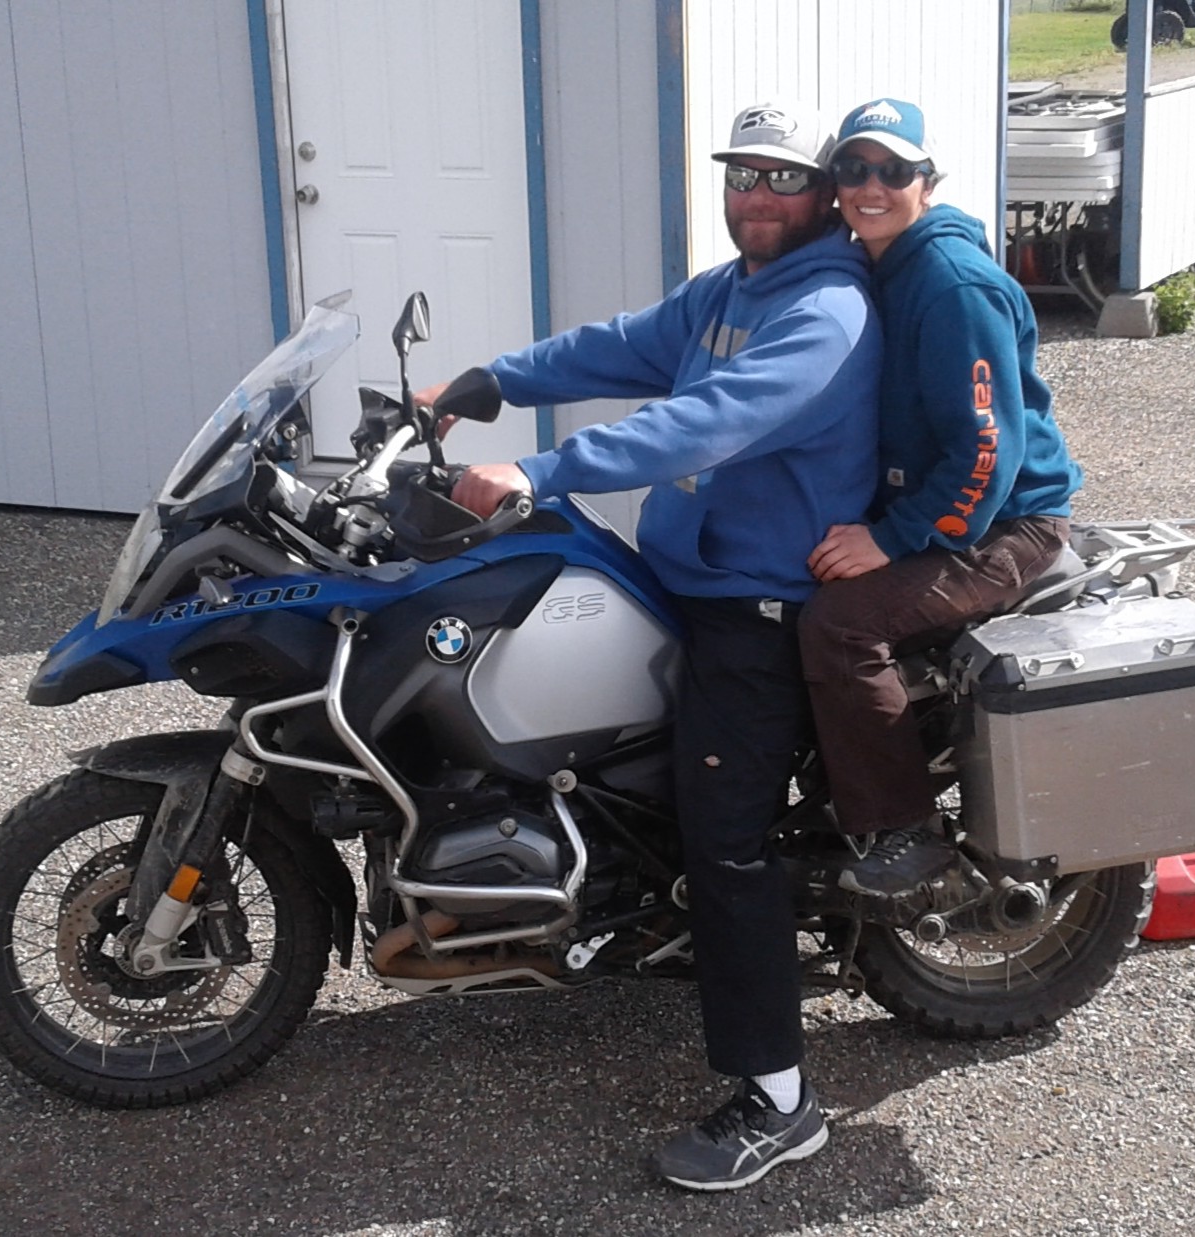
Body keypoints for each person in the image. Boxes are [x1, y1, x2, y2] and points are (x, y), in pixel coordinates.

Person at [414, 100, 882, 1191]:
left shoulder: (825, 310)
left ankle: (779, 1098)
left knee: (726, 839)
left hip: (752, 607)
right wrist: (489, 381)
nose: (753, 197)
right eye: (740, 176)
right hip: (681, 574)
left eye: (778, 179)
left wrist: (540, 467)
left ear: (818, 194)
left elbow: (707, 418)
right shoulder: (731, 291)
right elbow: (624, 344)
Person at [799, 98, 1083, 898]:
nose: (870, 186)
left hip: (1005, 524)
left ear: (927, 181)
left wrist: (892, 540)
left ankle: (906, 836)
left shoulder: (950, 283)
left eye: (892, 170)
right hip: (940, 504)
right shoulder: (874, 261)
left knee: (840, 624)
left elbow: (986, 452)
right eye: (853, 169)